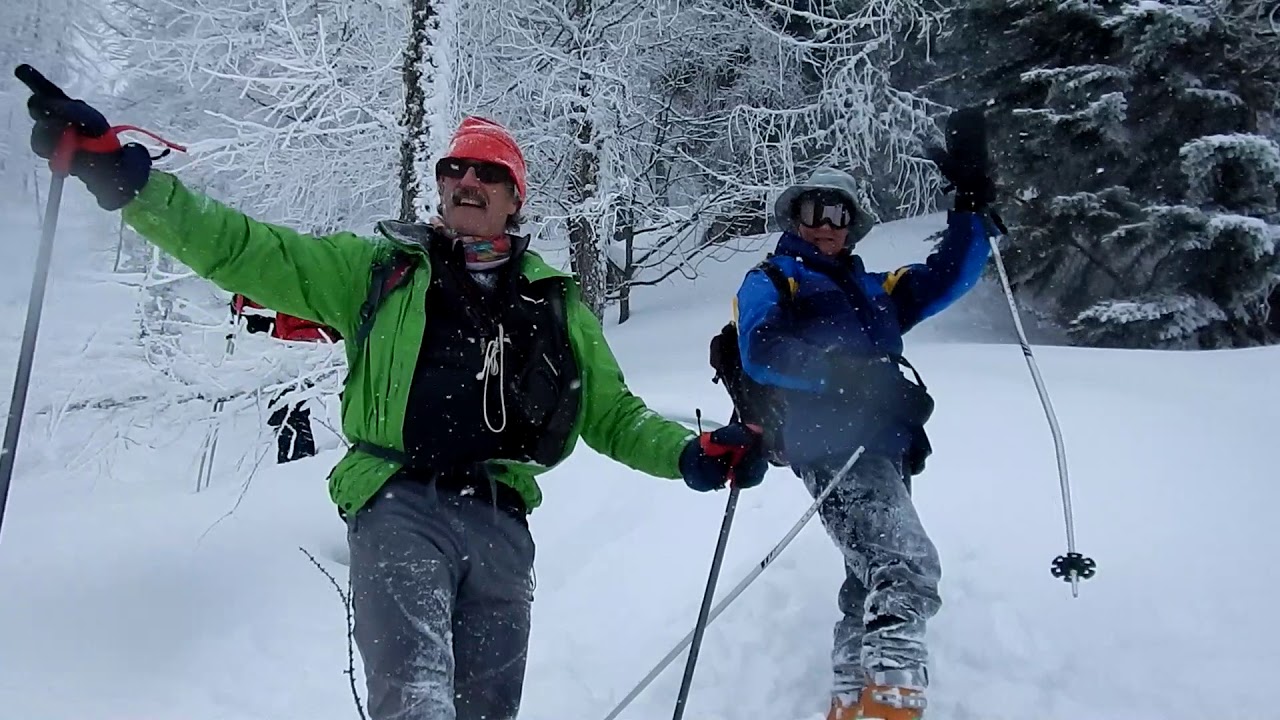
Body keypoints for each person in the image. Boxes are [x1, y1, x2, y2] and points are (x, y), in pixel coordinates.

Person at [24, 82, 769, 720]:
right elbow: (247, 249)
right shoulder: (379, 271)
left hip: (504, 523)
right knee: (416, 702)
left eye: (487, 172)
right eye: (455, 169)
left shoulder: (553, 301)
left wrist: (687, 454)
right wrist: (132, 184)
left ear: (515, 198)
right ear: (440, 185)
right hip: (399, 502)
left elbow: (611, 413)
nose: (467, 182)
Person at [730, 138, 995, 720]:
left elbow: (948, 276)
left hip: (885, 445)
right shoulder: (775, 279)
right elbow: (762, 349)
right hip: (829, 442)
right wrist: (846, 378)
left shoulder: (876, 289)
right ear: (794, 217)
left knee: (868, 578)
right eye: (814, 211)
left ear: (853, 225)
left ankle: (852, 703)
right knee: (906, 567)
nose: (826, 225)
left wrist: (969, 210)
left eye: (839, 214)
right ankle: (892, 706)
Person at [231, 294, 339, 463]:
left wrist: (239, 300)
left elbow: (257, 291)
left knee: (291, 393)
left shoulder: (287, 272)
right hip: (333, 338)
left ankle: (294, 445)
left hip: (297, 341)